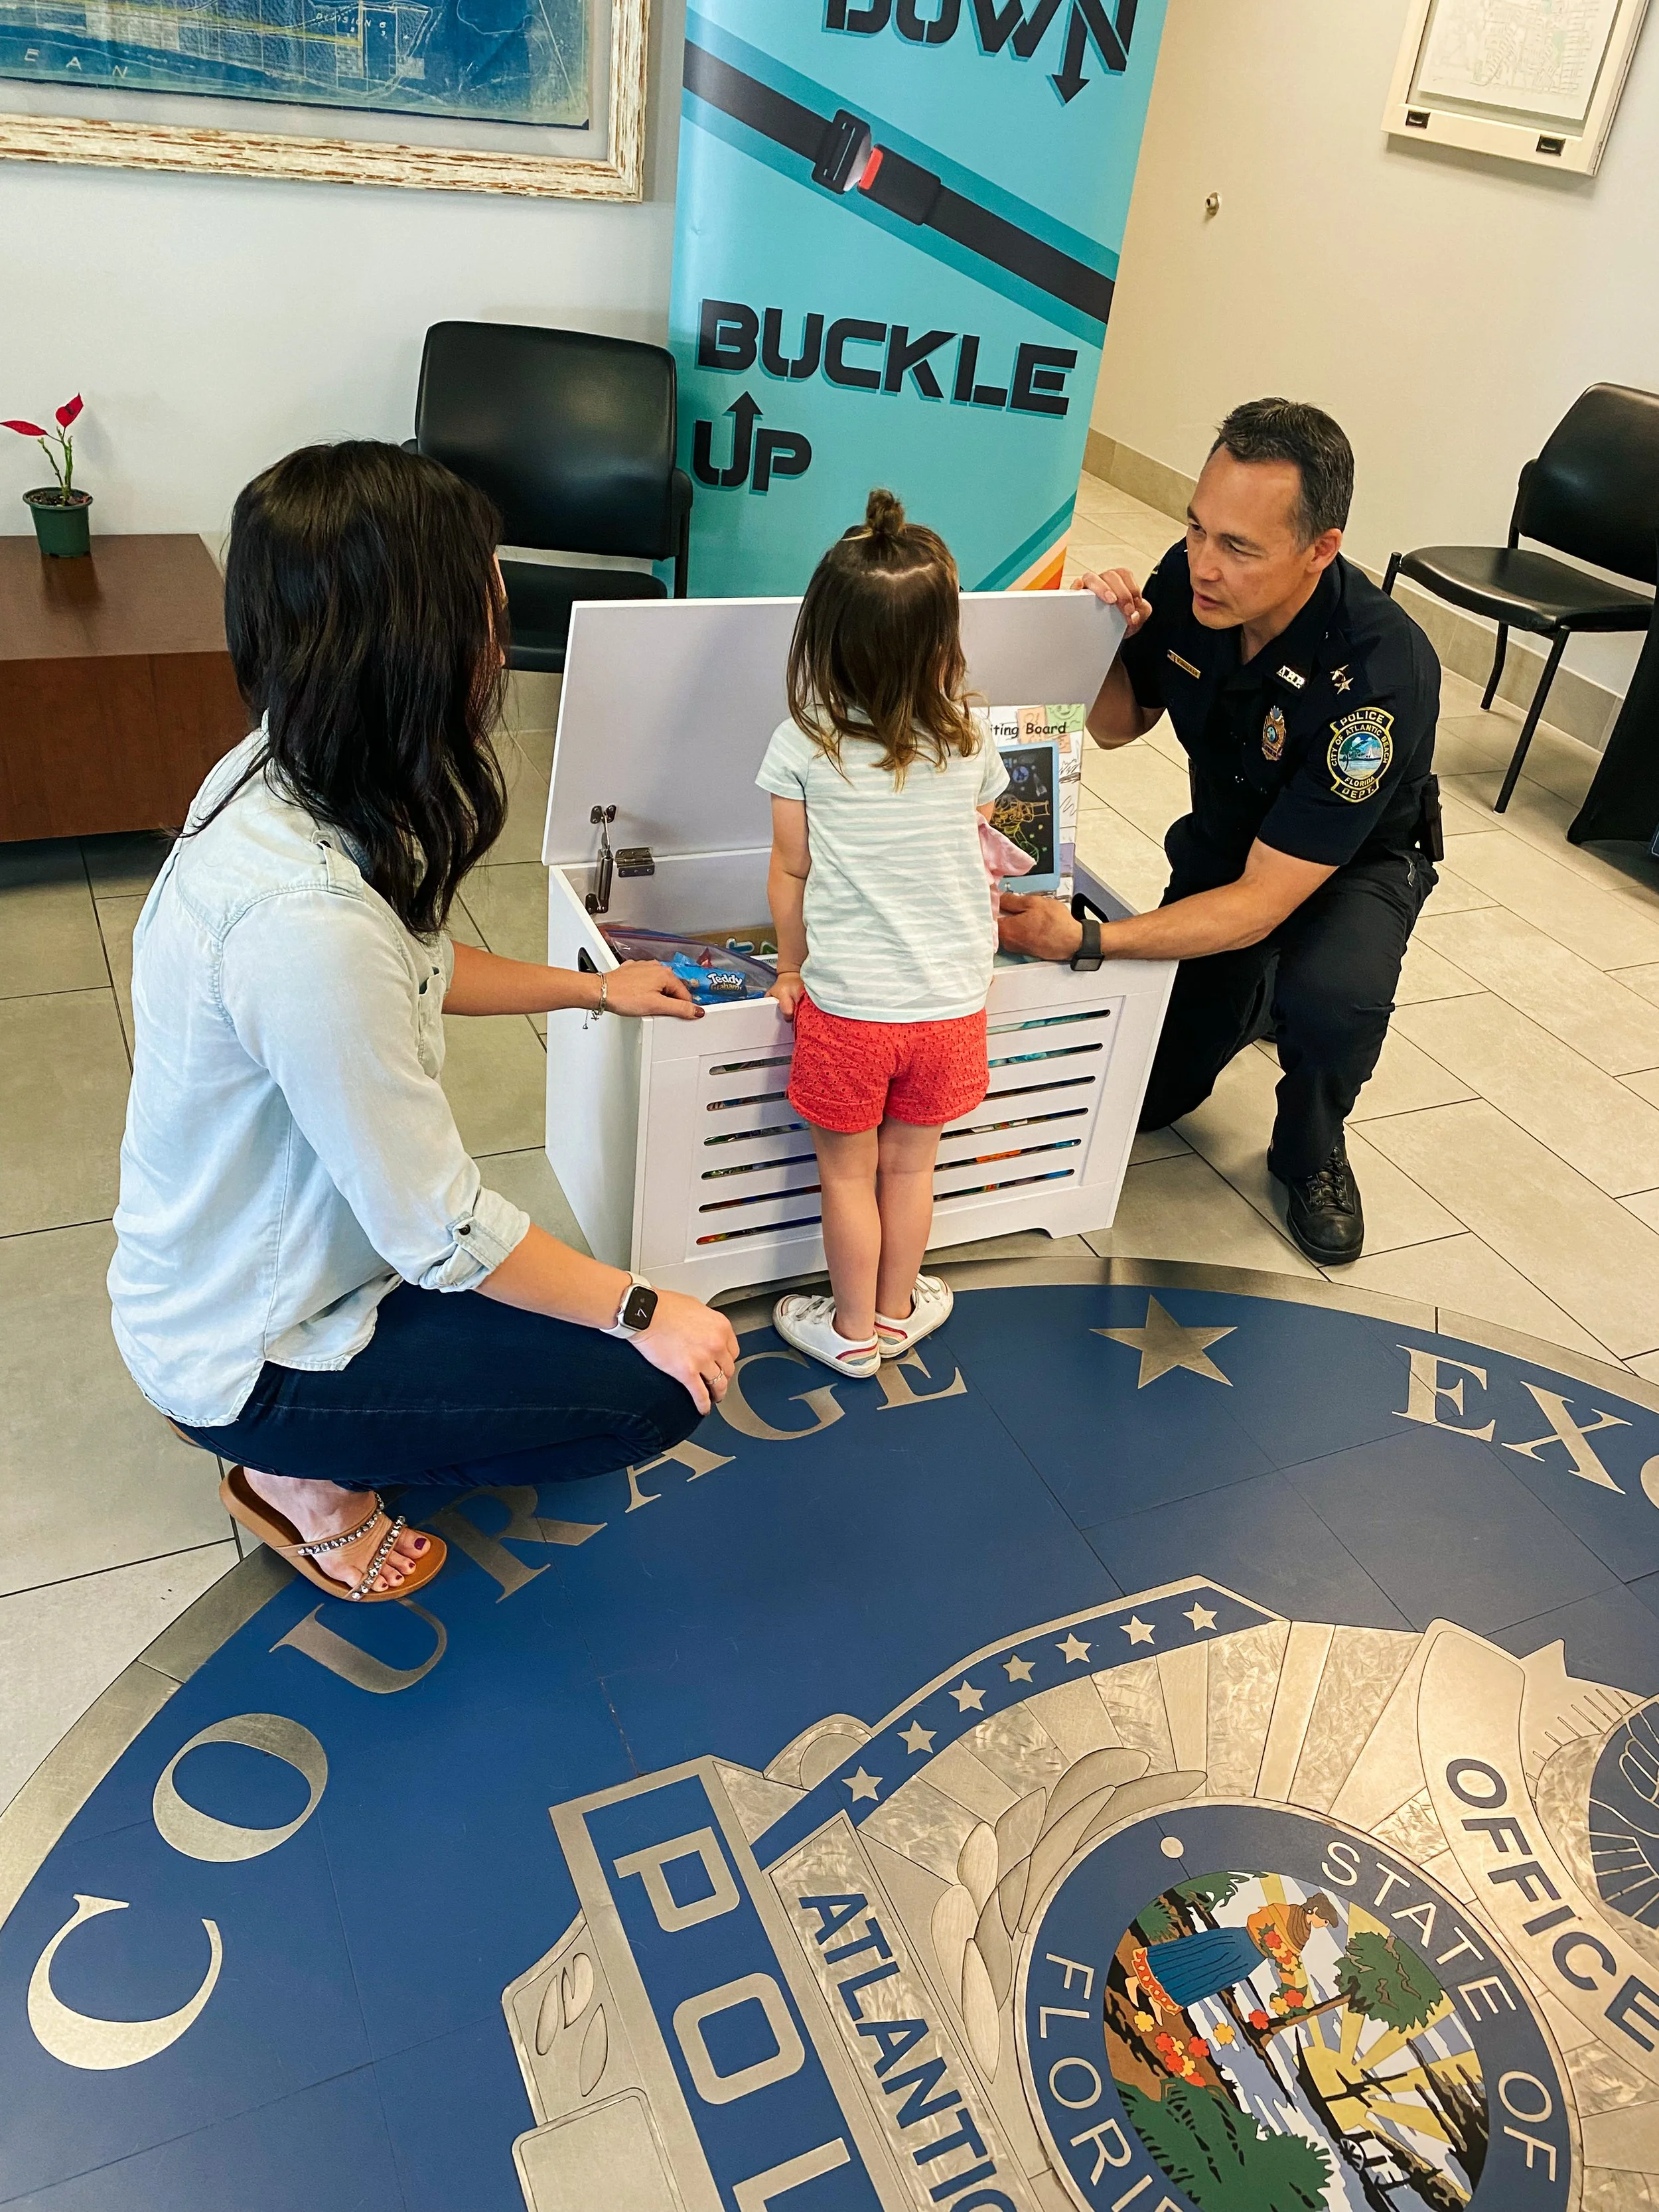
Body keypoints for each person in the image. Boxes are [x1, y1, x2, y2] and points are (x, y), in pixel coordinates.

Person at [109, 441, 739, 1604]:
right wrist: (645, 1307)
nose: (501, 624)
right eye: (484, 597)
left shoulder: (280, 767)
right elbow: (439, 1231)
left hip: (235, 1269)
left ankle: (327, 1438)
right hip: (250, 1350)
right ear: (416, 646)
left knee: (568, 1313)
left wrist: (597, 988)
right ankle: (301, 1478)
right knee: (653, 1388)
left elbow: (415, 964)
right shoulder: (303, 921)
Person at [999, 399, 1443, 1264]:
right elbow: (1119, 725)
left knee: (1332, 1002)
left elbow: (1266, 900)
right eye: (1198, 528)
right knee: (1156, 1098)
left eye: (1239, 547)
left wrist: (1090, 941)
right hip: (1230, 839)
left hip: (1350, 863)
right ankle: (1244, 1000)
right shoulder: (1188, 581)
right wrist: (1095, 642)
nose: (1204, 564)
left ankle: (1311, 1148)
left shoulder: (1379, 674)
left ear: (1322, 548)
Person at [758, 489, 1009, 1377]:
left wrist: (790, 969)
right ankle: (901, 1313)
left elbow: (791, 872)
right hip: (950, 1004)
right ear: (944, 644)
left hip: (851, 1009)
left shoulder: (803, 744)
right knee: (910, 1171)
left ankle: (851, 1332)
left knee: (846, 1175)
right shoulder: (970, 739)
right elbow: (976, 829)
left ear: (822, 641)